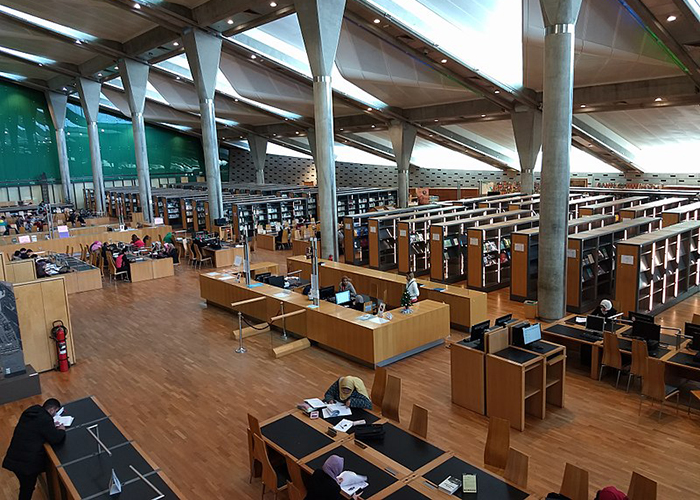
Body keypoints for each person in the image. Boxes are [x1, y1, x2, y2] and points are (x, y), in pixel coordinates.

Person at [2, 398, 66, 500]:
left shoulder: (31, 412)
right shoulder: (45, 419)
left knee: (25, 486)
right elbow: (56, 438)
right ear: (52, 409)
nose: (55, 415)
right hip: (25, 464)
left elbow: (37, 428)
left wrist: (50, 426)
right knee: (27, 489)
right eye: (56, 412)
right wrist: (62, 430)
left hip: (14, 456)